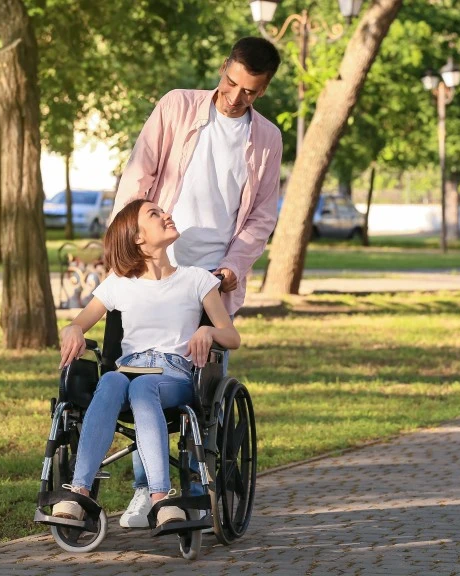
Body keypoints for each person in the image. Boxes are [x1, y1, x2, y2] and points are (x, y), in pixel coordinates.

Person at [110, 36, 282, 527]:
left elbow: (261, 217)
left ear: (264, 90)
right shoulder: (177, 107)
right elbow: (138, 177)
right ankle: (147, 489)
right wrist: (129, 249)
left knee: (199, 394)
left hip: (210, 280)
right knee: (143, 375)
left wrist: (232, 269)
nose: (235, 97)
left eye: (250, 92)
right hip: (153, 270)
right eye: (231, 83)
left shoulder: (267, 139)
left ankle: (191, 492)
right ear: (224, 67)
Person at [51, 198, 240, 528]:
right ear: (138, 237)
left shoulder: (197, 279)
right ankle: (79, 492)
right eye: (155, 214)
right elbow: (78, 323)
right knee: (110, 380)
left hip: (173, 373)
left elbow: (231, 336)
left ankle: (160, 498)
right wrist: (73, 329)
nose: (167, 215)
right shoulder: (119, 284)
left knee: (143, 388)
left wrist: (208, 330)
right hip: (128, 369)